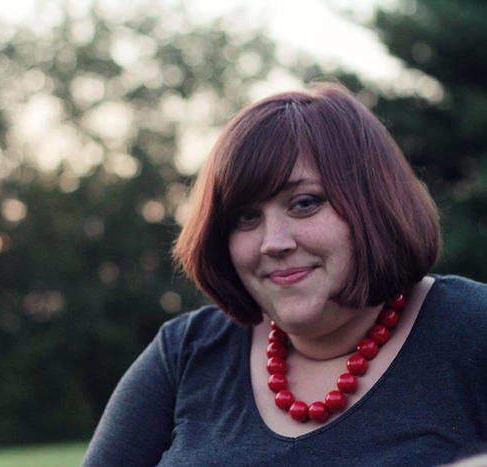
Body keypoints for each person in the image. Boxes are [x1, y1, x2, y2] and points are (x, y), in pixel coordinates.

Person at [82, 82, 487, 466]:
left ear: (374, 203)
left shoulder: (473, 329)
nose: (272, 242)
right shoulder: (185, 352)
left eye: (305, 203)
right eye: (245, 217)